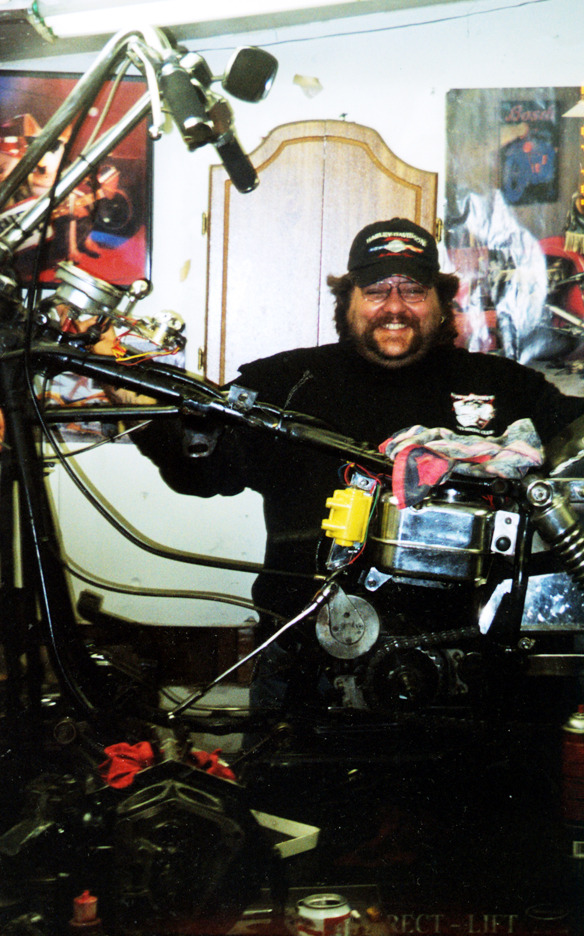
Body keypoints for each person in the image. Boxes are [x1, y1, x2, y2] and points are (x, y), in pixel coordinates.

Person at [107, 218, 584, 711]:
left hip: (473, 679)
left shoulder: (507, 386)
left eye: (413, 290)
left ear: (440, 302)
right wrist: (137, 403)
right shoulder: (286, 382)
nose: (395, 306)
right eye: (376, 290)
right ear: (347, 300)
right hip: (308, 672)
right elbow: (202, 473)